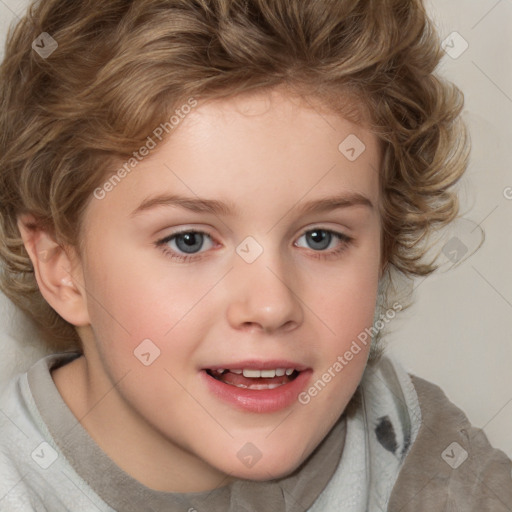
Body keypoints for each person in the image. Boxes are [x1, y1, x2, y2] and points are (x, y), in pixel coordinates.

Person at [0, 0, 510, 510]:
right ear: (61, 266)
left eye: (320, 238)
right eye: (189, 241)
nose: (271, 306)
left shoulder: (430, 460)